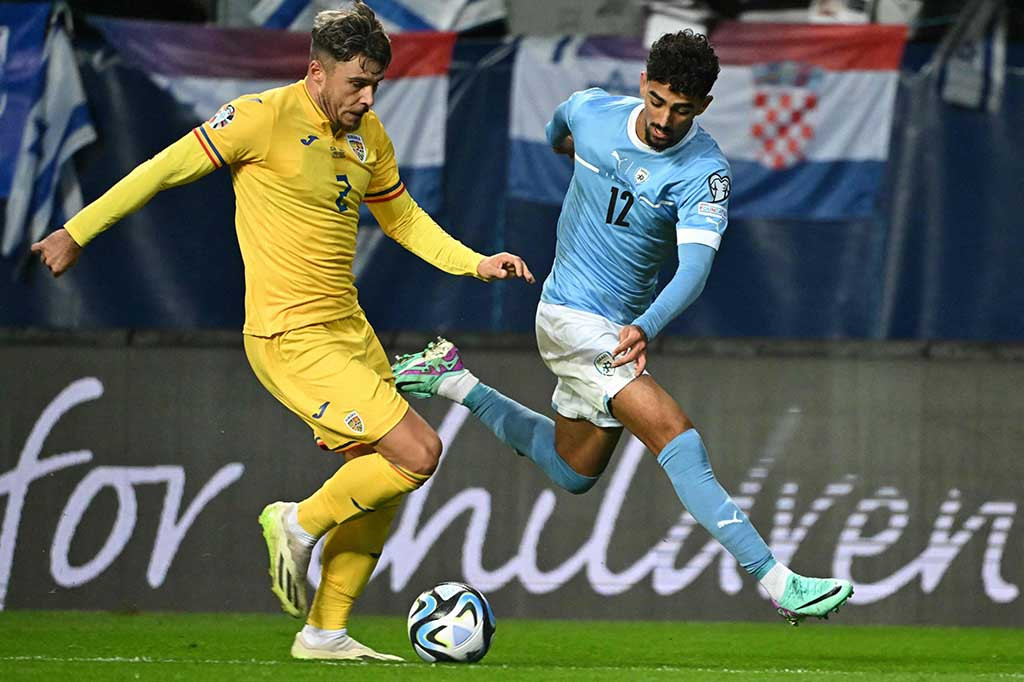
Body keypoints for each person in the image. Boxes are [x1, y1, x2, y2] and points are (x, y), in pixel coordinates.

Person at [31, 1, 534, 661]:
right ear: (317, 73)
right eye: (356, 83)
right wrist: (77, 230)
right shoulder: (260, 118)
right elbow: (160, 170)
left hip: (349, 332)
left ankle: (323, 633)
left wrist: (475, 262)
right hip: (288, 335)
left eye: (376, 83)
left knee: (379, 483)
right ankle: (295, 521)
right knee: (418, 453)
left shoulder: (368, 137)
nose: (368, 96)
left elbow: (404, 219)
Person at [392, 29, 853, 626]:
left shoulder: (704, 172)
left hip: (620, 326)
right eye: (658, 100)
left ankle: (455, 382)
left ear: (704, 107)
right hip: (571, 317)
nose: (664, 118)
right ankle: (776, 579)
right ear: (642, 84)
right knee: (675, 434)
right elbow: (558, 128)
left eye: (682, 109)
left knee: (572, 471)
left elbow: (695, 268)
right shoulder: (592, 112)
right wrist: (576, 156)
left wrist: (648, 322)